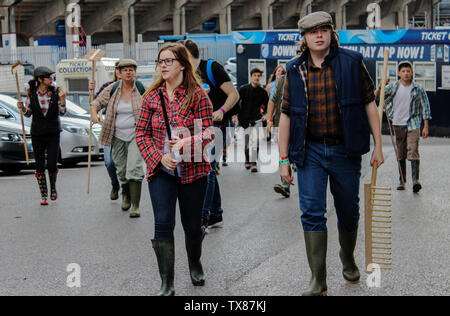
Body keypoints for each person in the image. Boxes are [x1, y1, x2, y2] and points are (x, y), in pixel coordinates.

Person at [278, 12, 384, 296]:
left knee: (349, 210)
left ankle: (347, 258)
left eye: (324, 30)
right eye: (313, 32)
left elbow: (369, 103)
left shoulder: (351, 62)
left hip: (345, 150)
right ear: (304, 38)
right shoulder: (294, 69)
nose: (319, 35)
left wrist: (378, 145)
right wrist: (283, 158)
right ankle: (318, 280)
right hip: (309, 151)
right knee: (312, 212)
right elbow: (286, 116)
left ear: (332, 33)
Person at [135, 43, 214, 296]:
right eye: (161, 61)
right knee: (162, 223)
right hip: (162, 173)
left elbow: (209, 131)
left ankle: (195, 262)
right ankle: (167, 283)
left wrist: (186, 142)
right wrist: (159, 158)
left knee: (192, 226)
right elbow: (141, 133)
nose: (164, 66)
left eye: (169, 61)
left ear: (182, 64)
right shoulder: (151, 97)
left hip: (194, 172)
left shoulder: (198, 95)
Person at [181, 39, 240, 230]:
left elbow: (234, 94)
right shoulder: (184, 74)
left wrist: (221, 111)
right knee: (209, 168)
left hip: (215, 126)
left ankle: (203, 216)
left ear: (188, 55)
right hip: (194, 129)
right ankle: (216, 213)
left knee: (207, 167)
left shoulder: (211, 68)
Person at [90, 59, 145, 218]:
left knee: (134, 168)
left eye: (131, 70)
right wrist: (94, 115)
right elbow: (96, 103)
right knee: (120, 169)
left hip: (136, 134)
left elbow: (153, 104)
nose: (128, 72)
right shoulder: (112, 89)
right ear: (119, 73)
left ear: (135, 72)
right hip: (116, 135)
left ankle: (135, 205)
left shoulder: (141, 88)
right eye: (125, 70)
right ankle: (125, 194)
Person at [375, 61, 431, 193]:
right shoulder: (393, 87)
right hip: (397, 123)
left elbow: (426, 107)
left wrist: (426, 126)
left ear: (412, 73)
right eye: (403, 71)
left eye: (408, 71)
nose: (406, 74)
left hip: (413, 123)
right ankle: (402, 180)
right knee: (401, 153)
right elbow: (377, 97)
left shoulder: (418, 89)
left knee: (413, 150)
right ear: (399, 73)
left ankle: (415, 181)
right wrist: (380, 86)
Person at [17, 67, 67, 206]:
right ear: (40, 79)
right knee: (39, 165)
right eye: (49, 77)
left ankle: (53, 188)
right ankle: (43, 194)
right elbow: (28, 113)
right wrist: (22, 108)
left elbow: (62, 112)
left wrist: (62, 100)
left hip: (53, 133)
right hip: (37, 133)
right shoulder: (32, 94)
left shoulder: (56, 93)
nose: (52, 80)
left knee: (51, 164)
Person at [89, 60, 122, 201]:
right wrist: (91, 93)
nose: (122, 73)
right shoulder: (107, 87)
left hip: (128, 131)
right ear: (116, 71)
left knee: (126, 163)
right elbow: (95, 103)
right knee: (109, 162)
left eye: (127, 70)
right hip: (109, 129)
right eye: (119, 70)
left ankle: (127, 188)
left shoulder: (135, 87)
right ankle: (115, 184)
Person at [238, 68, 269, 172]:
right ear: (251, 76)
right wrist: (235, 116)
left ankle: (254, 162)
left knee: (256, 142)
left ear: (260, 78)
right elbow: (237, 103)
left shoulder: (263, 92)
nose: (257, 77)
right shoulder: (243, 89)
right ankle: (247, 160)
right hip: (245, 120)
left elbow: (268, 106)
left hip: (257, 120)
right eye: (255, 75)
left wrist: (266, 114)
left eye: (258, 76)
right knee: (247, 142)